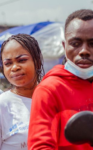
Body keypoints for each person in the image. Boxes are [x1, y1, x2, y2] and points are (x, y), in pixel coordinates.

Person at [28, 9, 93, 150]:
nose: (84, 51)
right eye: (76, 43)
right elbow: (41, 146)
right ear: (64, 46)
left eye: (92, 44)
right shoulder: (49, 90)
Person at [0, 33, 44, 150]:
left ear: (37, 61)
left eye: (22, 60)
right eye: (8, 63)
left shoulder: (55, 98)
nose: (14, 67)